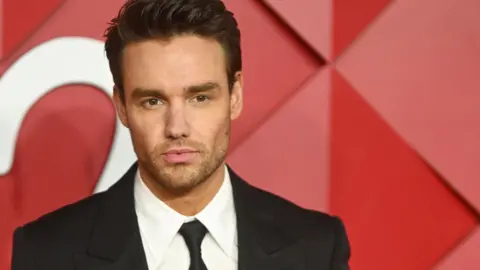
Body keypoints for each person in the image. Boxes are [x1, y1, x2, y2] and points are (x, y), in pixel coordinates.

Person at [11, 0, 350, 269]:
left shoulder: (315, 247)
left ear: (235, 96)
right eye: (153, 101)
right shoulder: (47, 254)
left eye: (200, 98)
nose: (177, 128)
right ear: (122, 107)